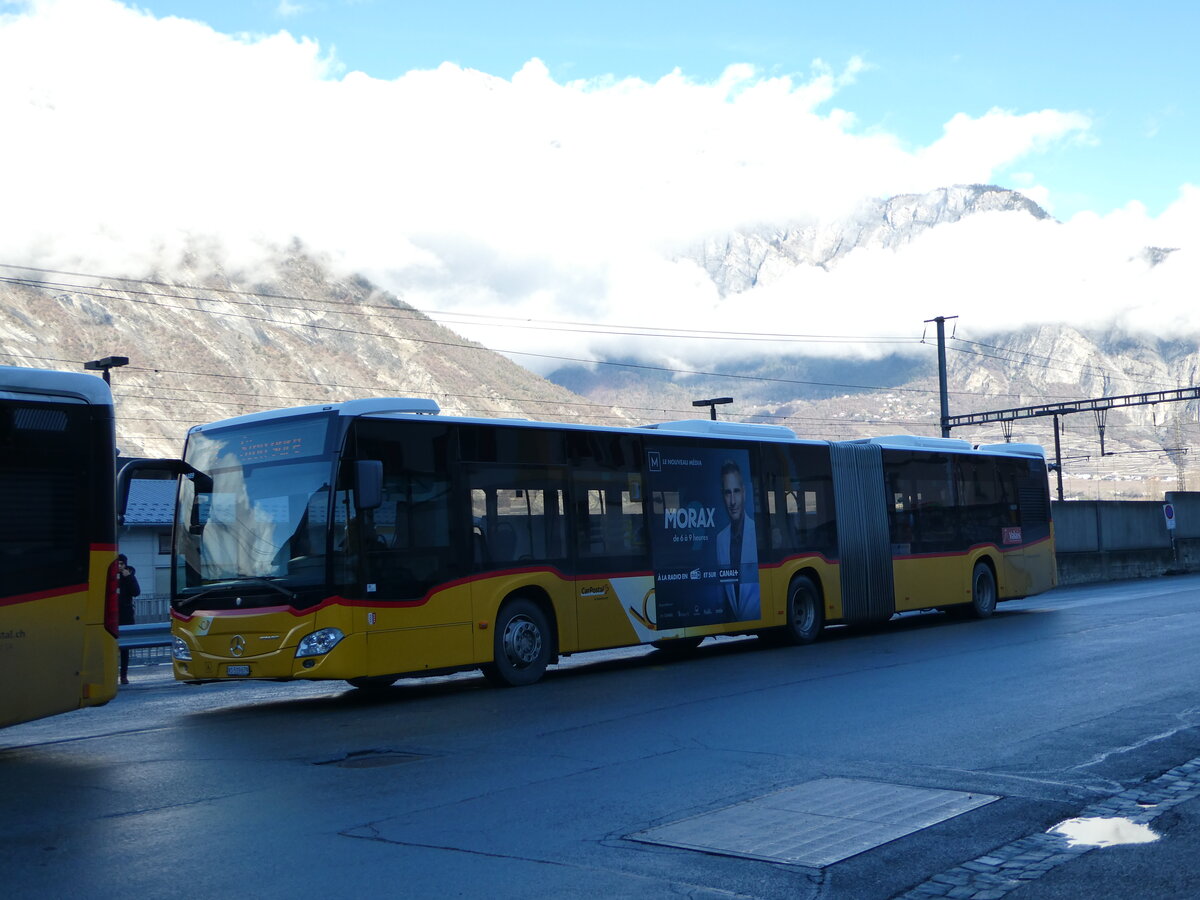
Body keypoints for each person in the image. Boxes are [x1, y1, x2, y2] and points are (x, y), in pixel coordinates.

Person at [715, 460, 760, 622]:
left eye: (736, 492)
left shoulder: (757, 533)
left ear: (744, 493)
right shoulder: (720, 540)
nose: (733, 501)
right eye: (728, 493)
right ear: (723, 495)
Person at [116, 554, 140, 685]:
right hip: (112, 616)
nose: (119, 567)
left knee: (125, 648)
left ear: (125, 565)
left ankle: (123, 675)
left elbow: (136, 592)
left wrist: (129, 577)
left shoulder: (129, 576)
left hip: (126, 615)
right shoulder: (111, 577)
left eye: (121, 564)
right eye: (117, 564)